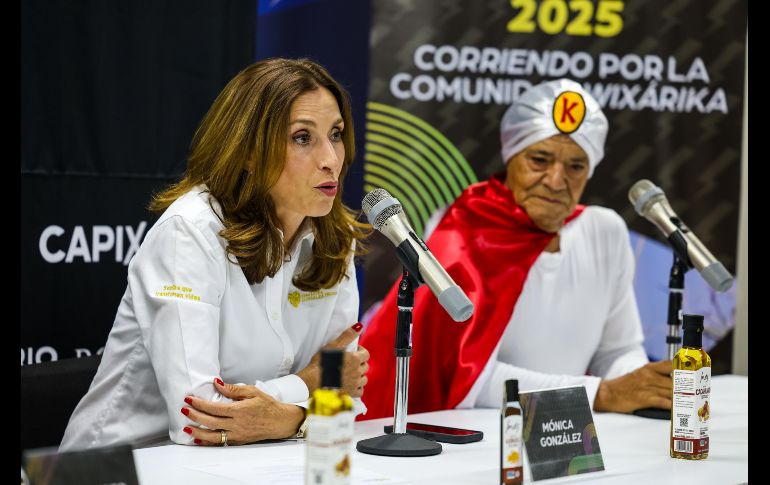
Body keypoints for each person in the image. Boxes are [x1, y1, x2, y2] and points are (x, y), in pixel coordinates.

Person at [60, 58, 371, 450]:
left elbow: (344, 397)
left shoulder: (334, 237)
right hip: (120, 463)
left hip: (255, 458)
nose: (331, 159)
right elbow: (197, 420)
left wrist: (289, 416)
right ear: (249, 152)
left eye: (336, 134)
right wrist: (307, 385)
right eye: (302, 138)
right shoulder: (190, 232)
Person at [359, 78, 672, 420]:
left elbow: (618, 350)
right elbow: (470, 379)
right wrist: (603, 394)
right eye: (540, 160)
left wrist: (647, 386)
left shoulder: (604, 230)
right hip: (481, 436)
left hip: (572, 429)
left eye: (576, 166)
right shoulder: (465, 232)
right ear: (511, 158)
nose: (556, 181)